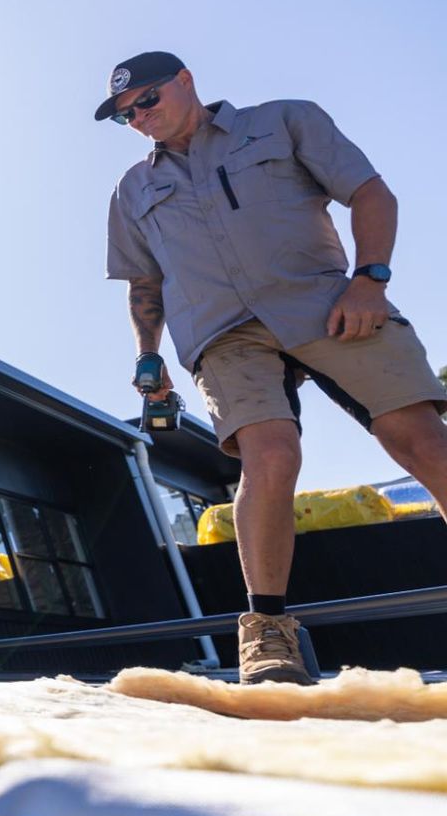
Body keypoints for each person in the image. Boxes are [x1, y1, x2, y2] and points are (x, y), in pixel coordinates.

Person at [100, 51, 447, 684]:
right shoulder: (131, 190)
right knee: (270, 456)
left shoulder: (283, 121)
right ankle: (267, 634)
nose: (140, 118)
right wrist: (148, 355)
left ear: (185, 80)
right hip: (223, 335)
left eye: (146, 100)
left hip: (327, 303)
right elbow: (144, 282)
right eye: (126, 116)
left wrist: (369, 280)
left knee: (420, 439)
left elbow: (369, 191)